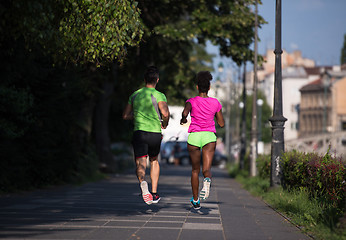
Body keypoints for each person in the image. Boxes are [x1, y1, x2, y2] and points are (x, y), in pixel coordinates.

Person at [123, 66, 170, 205]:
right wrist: (164, 124)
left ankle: (143, 184)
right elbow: (165, 113)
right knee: (154, 160)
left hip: (140, 133)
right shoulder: (159, 95)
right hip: (155, 133)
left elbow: (125, 115)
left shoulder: (135, 95)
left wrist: (136, 116)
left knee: (141, 162)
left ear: (144, 80)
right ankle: (154, 193)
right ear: (157, 80)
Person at [180, 71, 225, 210]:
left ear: (197, 87)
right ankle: (207, 180)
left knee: (195, 170)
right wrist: (215, 116)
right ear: (209, 87)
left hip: (194, 136)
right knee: (206, 169)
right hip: (208, 137)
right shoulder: (215, 102)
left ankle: (195, 200)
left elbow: (185, 112)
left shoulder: (191, 101)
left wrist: (184, 118)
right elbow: (221, 123)